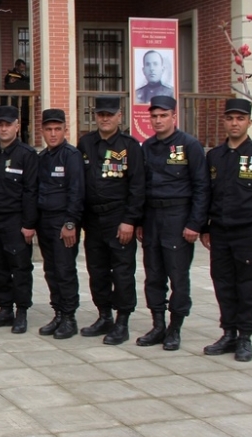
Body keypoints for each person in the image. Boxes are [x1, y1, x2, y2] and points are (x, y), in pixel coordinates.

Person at [202, 99, 252, 362]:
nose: (234, 123)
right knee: (223, 284)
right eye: (230, 118)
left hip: (249, 233)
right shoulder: (215, 156)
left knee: (247, 287)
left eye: (240, 118)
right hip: (221, 234)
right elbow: (206, 196)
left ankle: (245, 337)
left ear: (249, 121)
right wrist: (205, 228)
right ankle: (229, 333)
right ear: (224, 121)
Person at [136, 96, 209, 351]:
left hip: (178, 218)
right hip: (152, 218)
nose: (158, 120)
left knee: (178, 276)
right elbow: (141, 187)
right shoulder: (146, 147)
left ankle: (175, 327)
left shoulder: (190, 145)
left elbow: (202, 186)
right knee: (153, 275)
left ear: (174, 117)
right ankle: (158, 325)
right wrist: (139, 221)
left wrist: (195, 223)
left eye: (163, 115)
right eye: (154, 116)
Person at [77, 96, 145, 345]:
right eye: (100, 114)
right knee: (97, 270)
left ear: (120, 116)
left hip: (118, 219)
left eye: (109, 114)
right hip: (93, 219)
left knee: (123, 271)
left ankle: (122, 320)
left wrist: (130, 220)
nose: (104, 118)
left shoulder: (130, 146)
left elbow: (138, 186)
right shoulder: (86, 143)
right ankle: (104, 315)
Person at [0, 105, 38, 333]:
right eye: (0, 124)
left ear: (17, 126)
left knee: (20, 267)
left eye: (8, 124)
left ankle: (21, 311)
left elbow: (31, 191)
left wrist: (29, 224)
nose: (4, 128)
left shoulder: (26, 155)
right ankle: (5, 308)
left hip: (16, 222)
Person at [36, 109, 85, 339]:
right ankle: (58, 312)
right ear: (42, 131)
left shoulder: (71, 155)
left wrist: (70, 223)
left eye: (57, 129)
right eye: (48, 129)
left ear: (65, 129)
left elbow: (77, 192)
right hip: (45, 221)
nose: (53, 134)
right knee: (50, 270)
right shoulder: (43, 157)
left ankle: (69, 317)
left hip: (63, 222)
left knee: (65, 270)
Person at [4, 60, 31, 144]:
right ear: (16, 66)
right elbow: (8, 85)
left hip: (23, 105)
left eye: (24, 67)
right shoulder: (10, 75)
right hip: (13, 103)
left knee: (24, 127)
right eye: (21, 67)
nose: (23, 69)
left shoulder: (23, 77)